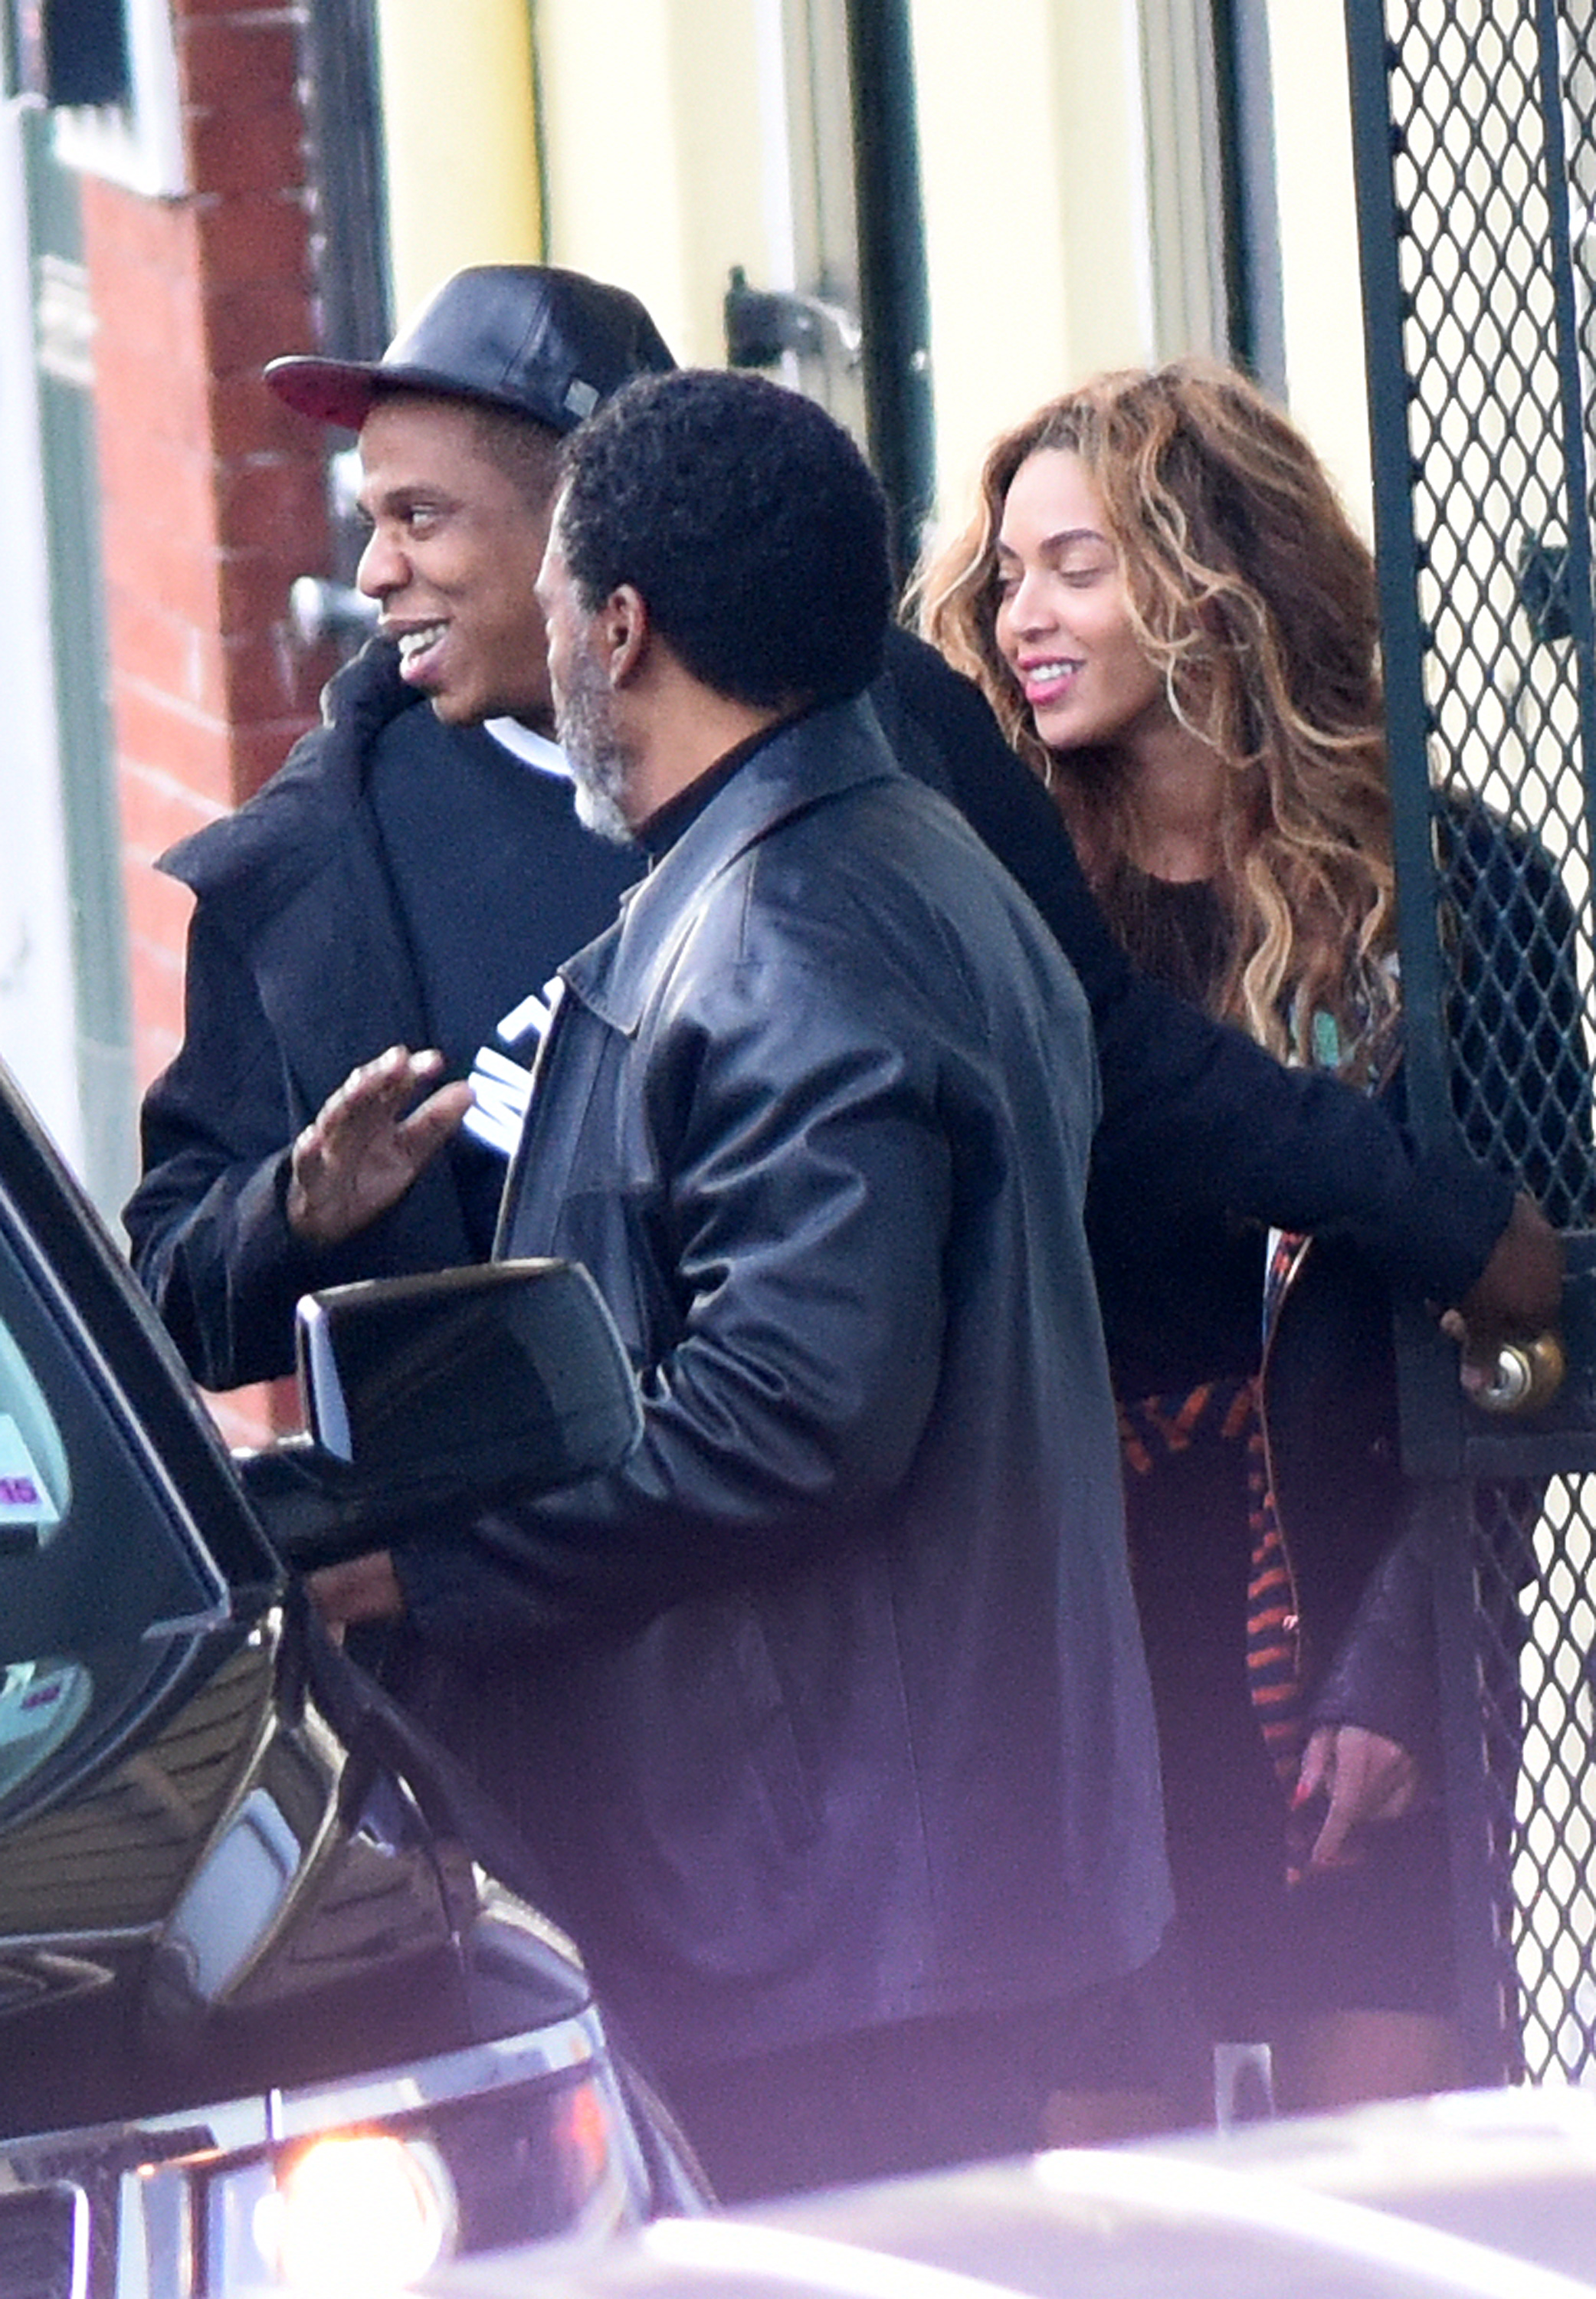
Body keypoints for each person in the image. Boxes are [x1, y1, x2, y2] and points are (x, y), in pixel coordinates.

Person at [124, 267, 1555, 1412]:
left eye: (421, 518)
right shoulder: (313, 869)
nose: (375, 569)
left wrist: (1433, 1215)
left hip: (853, 1613)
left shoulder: (881, 723)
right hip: (505, 1642)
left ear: (583, 535)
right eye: (370, 519)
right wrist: (297, 1210)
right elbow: (175, 1306)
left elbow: (1106, 1046)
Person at [305, 366, 1178, 2199]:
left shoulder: (788, 933)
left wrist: (429, 1562)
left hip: (841, 1929)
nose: (550, 634)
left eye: (560, 593)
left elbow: (793, 1413)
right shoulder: (883, 865)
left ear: (620, 628)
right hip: (889, 1900)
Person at [917, 359, 1587, 2117]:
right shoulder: (997, 910)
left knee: (1385, 2184)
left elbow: (1523, 1332)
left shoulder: (1452, 893)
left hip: (1359, 1585)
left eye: (1077, 565)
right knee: (1103, 2189)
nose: (1022, 613)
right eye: (1008, 573)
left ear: (1218, 582)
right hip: (1086, 1628)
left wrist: (1408, 1667)